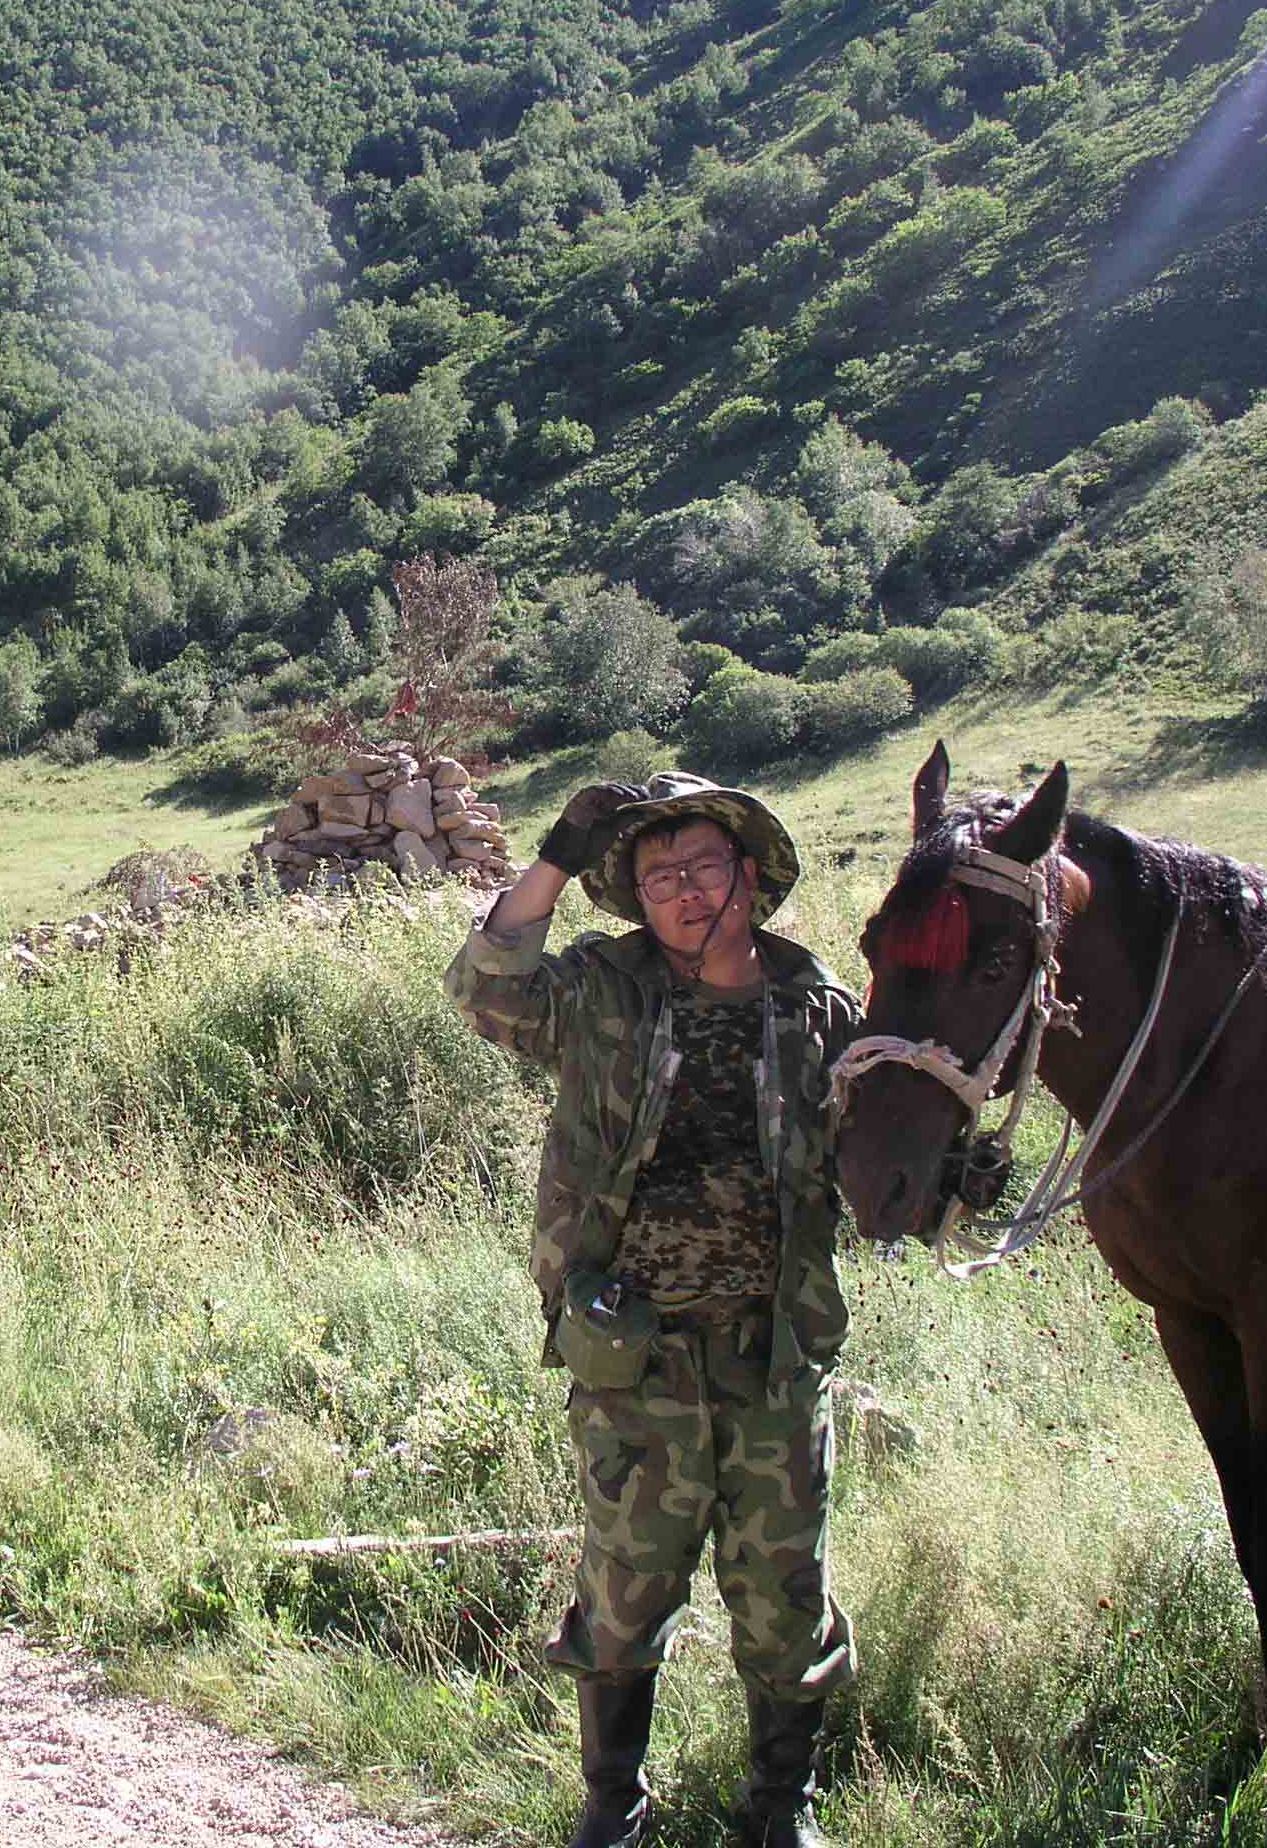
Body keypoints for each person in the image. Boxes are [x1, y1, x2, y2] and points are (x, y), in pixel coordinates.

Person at [444, 772, 864, 1848]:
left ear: (752, 877)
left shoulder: (816, 1010)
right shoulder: (599, 992)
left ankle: (781, 1810)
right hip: (636, 1359)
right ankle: (613, 1807)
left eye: (703, 866)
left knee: (783, 1591)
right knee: (625, 1593)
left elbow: (876, 1160)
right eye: (656, 874)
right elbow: (486, 984)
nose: (681, 889)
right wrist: (555, 847)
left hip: (772, 1360)